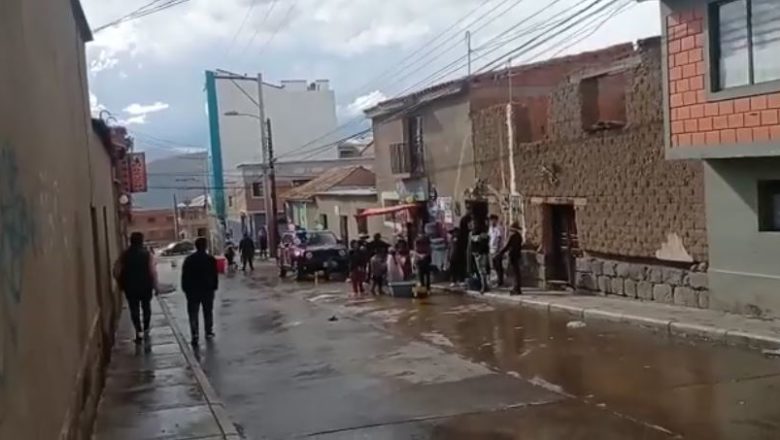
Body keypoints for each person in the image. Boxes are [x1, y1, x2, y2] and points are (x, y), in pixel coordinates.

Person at [113, 232, 158, 343]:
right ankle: (146, 329)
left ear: (130, 241)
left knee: (134, 309)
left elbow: (116, 271)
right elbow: (152, 272)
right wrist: (156, 286)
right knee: (146, 307)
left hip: (130, 287)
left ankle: (138, 331)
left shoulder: (124, 255)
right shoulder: (147, 254)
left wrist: (120, 283)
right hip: (146, 286)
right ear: (141, 241)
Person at [181, 237, 219, 345]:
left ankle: (195, 334)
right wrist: (214, 287)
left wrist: (185, 289)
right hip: (207, 290)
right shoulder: (210, 259)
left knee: (193, 313)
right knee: (208, 311)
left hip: (192, 291)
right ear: (205, 246)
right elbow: (214, 275)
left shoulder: (189, 259)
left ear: (195, 246)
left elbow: (184, 276)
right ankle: (208, 331)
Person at [498, 222, 524, 295]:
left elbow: (507, 246)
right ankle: (517, 288)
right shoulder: (519, 236)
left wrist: (500, 253)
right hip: (517, 255)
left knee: (514, 272)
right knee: (517, 272)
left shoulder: (512, 236)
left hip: (512, 255)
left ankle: (516, 288)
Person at [470, 219, 490, 293]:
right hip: (480, 253)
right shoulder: (480, 233)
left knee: (482, 270)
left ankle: (484, 286)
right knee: (482, 270)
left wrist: (477, 252)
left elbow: (482, 244)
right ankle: (484, 285)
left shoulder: (477, 234)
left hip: (480, 254)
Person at [488, 214, 505, 287]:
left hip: (497, 250)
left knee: (498, 266)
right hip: (491, 249)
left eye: (492, 220)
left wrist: (498, 250)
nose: (491, 222)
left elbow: (499, 238)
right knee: (494, 266)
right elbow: (490, 237)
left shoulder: (499, 228)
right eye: (490, 220)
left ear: (496, 220)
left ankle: (500, 281)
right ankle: (497, 279)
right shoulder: (490, 228)